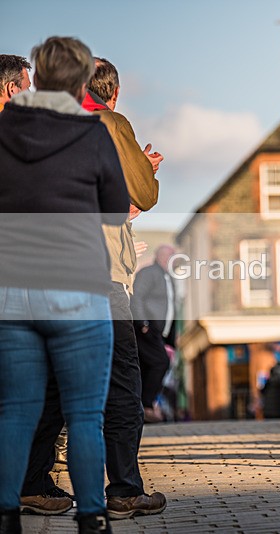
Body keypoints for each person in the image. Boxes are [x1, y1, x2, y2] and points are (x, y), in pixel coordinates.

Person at [21, 56, 167, 521]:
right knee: (123, 380)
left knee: (56, 386)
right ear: (113, 92)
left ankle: (32, 483)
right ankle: (124, 489)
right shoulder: (110, 122)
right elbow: (143, 196)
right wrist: (143, 167)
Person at [0, 36, 129, 532]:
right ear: (78, 82)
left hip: (12, 291)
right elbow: (117, 207)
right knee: (83, 415)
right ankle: (92, 519)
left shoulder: (2, 128)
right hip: (78, 288)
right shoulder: (91, 132)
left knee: (15, 411)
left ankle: (8, 514)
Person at [131, 245, 178, 424]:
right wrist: (143, 322)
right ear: (160, 257)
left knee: (147, 366)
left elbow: (172, 307)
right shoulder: (149, 272)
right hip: (146, 328)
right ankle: (147, 404)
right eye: (169, 257)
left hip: (159, 331)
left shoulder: (168, 277)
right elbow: (137, 297)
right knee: (161, 361)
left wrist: (172, 336)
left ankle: (140, 406)